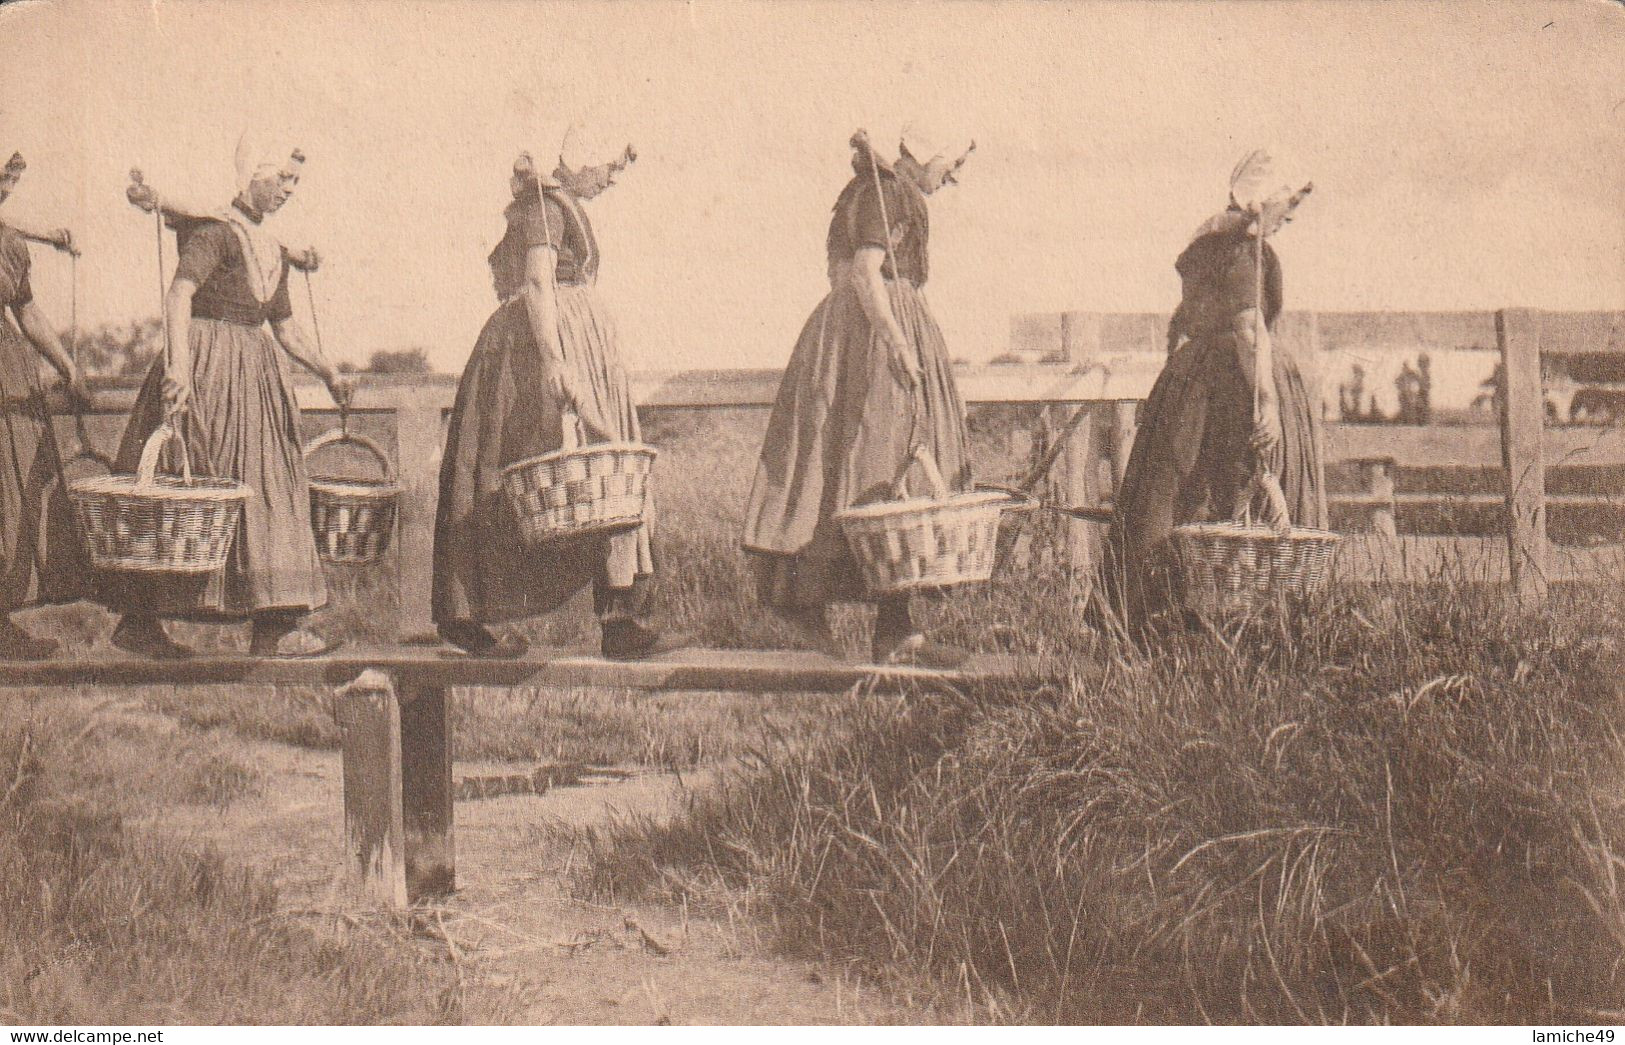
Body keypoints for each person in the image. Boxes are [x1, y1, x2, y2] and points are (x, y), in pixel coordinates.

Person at [103, 134, 352, 659]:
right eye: (278, 179)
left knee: (270, 488)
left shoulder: (271, 249)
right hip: (206, 366)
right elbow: (178, 295)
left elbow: (283, 327)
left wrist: (328, 370)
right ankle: (141, 622)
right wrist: (178, 368)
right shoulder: (216, 231)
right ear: (250, 177)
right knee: (187, 483)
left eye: (294, 182)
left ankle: (272, 624)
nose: (287, 189)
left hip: (257, 376)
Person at [431, 128, 667, 660]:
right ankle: (468, 612)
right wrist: (555, 360)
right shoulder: (544, 206)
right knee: (520, 471)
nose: (612, 176)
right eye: (608, 165)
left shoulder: (562, 204)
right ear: (581, 159)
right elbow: (538, 282)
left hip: (578, 338)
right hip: (536, 345)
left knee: (603, 475)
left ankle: (622, 615)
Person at [743, 127, 976, 667]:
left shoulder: (870, 190)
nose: (953, 175)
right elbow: (867, 274)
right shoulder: (886, 192)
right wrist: (896, 342)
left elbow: (838, 270)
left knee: (873, 470)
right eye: (949, 162)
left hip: (860, 331)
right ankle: (863, 621)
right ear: (921, 154)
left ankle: (893, 628)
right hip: (875, 334)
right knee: (876, 466)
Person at [1103, 148, 1327, 633]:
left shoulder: (1206, 240)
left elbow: (1183, 323)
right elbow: (1251, 333)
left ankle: (1159, 619)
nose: (1290, 214)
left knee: (1173, 492)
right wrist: (1267, 404)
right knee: (1237, 486)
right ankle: (1253, 618)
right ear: (1264, 197)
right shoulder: (1243, 249)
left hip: (1194, 382)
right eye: (1287, 201)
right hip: (1237, 384)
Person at [0, 150, 94, 659]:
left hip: (7, 374)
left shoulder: (10, 244)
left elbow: (28, 313)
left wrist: (69, 369)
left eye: (9, 181)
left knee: (12, 495)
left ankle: (1, 621)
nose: (4, 189)